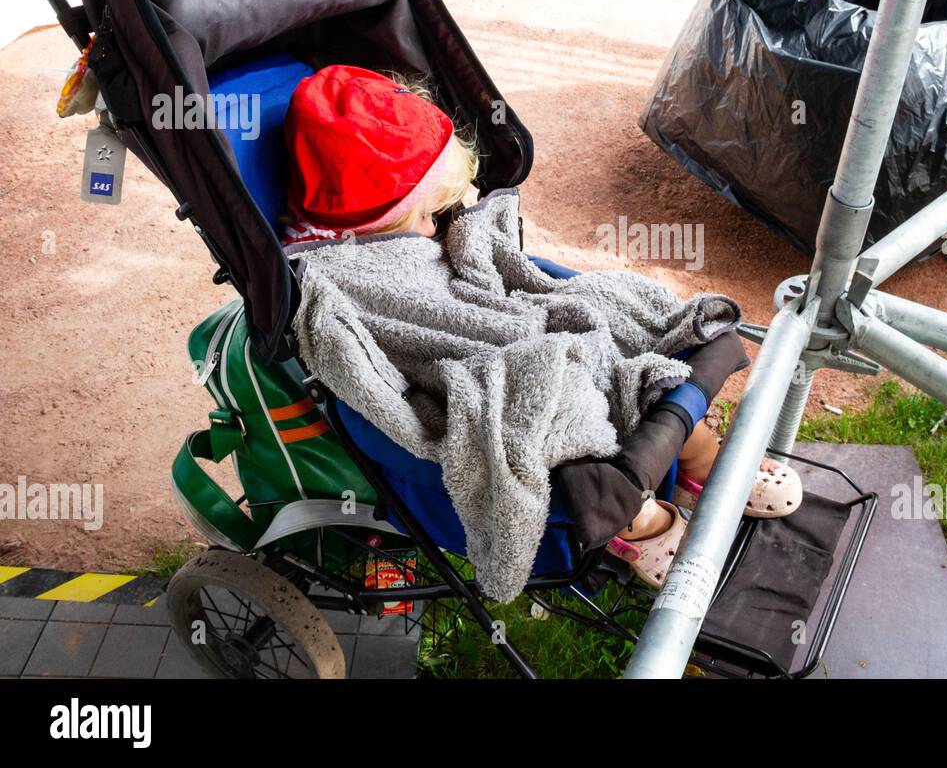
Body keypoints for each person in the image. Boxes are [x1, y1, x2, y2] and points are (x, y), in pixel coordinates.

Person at [281, 65, 801, 587]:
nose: (437, 225)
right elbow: (392, 358)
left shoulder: (405, 228)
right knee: (557, 397)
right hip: (477, 362)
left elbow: (487, 270)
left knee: (617, 310)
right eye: (426, 215)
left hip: (508, 319)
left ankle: (704, 464)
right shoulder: (340, 282)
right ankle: (634, 522)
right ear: (383, 216)